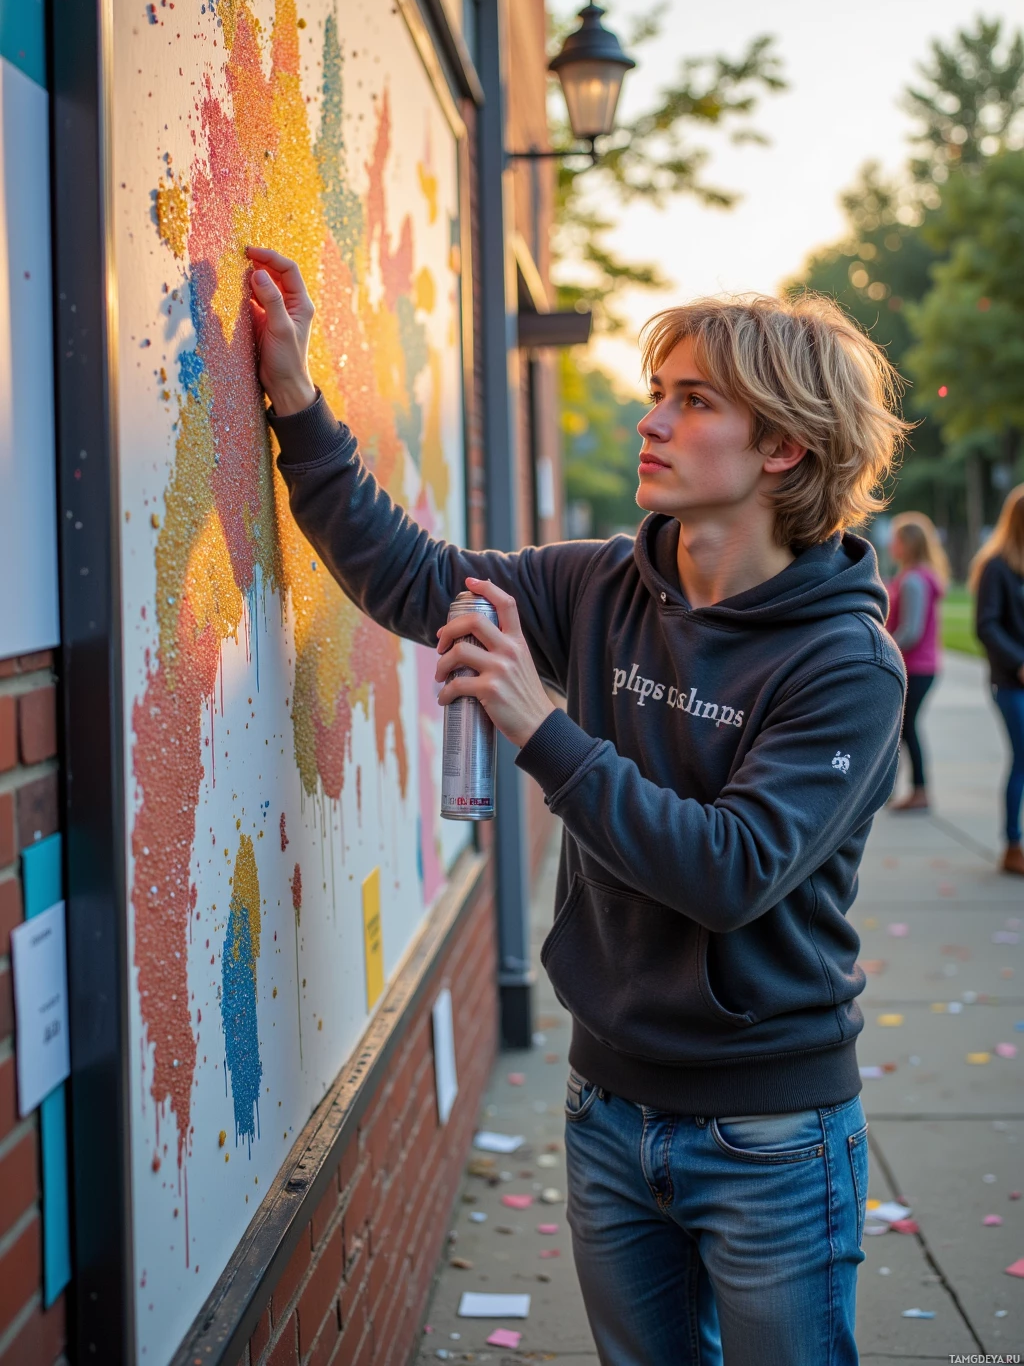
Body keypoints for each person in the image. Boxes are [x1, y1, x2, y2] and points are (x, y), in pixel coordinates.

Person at [246, 244, 908, 1366]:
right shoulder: (601, 582)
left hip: (770, 1133)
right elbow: (411, 572)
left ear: (784, 445)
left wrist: (537, 727)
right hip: (606, 1103)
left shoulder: (847, 663)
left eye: (692, 401)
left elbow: (731, 870)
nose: (651, 419)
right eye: (656, 392)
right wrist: (297, 402)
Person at [971, 484, 1024, 877]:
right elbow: (986, 625)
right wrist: (1019, 662)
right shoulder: (997, 566)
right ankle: (1012, 844)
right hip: (1012, 684)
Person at [884, 512, 948, 811]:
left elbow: (911, 630)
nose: (890, 544)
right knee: (904, 728)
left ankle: (918, 791)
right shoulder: (914, 575)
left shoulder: (913, 580)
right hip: (920, 666)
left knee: (906, 727)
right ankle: (903, 788)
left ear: (907, 543)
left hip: (916, 667)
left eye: (895, 538)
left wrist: (880, 649)